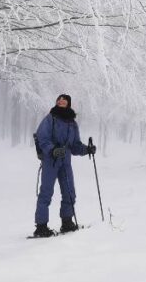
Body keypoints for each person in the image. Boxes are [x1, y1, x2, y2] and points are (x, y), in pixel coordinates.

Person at [32, 94, 96, 238]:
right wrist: (52, 150)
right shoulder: (50, 118)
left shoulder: (72, 123)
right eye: (59, 100)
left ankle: (67, 222)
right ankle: (41, 227)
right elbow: (43, 138)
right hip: (51, 160)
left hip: (65, 161)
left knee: (69, 192)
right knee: (46, 192)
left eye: (64, 100)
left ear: (68, 103)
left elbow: (75, 146)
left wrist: (87, 150)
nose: (61, 101)